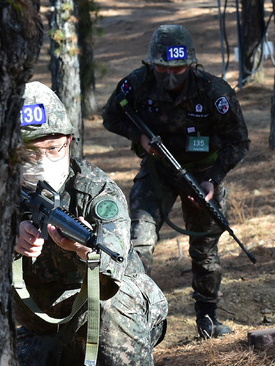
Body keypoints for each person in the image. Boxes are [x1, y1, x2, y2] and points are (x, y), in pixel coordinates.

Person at [14, 81, 168, 366]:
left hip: (116, 314)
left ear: (69, 140)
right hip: (44, 326)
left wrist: (84, 252)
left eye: (53, 148)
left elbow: (115, 266)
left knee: (111, 302)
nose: (43, 160)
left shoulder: (96, 191)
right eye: (28, 153)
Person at [102, 24, 250, 340]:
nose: (170, 77)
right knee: (138, 241)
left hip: (202, 174)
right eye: (162, 68)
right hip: (158, 172)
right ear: (150, 65)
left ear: (192, 64)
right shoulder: (137, 84)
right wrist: (139, 136)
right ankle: (131, 318)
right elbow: (111, 116)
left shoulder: (215, 92)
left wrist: (213, 178)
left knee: (205, 248)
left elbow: (238, 141)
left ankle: (207, 321)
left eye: (179, 69)